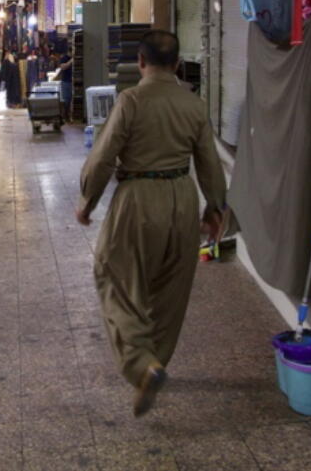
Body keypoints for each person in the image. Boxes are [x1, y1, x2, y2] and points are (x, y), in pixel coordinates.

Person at [77, 29, 226, 417]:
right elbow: (209, 161)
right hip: (182, 196)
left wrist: (87, 201)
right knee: (169, 292)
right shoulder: (194, 104)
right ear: (177, 64)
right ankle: (157, 360)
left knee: (114, 276)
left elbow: (103, 157)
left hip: (139, 198)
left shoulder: (131, 100)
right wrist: (215, 208)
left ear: (140, 62)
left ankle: (143, 366)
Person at [55, 50, 73, 122]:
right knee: (67, 100)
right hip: (66, 82)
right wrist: (71, 61)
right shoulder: (64, 58)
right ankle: (65, 117)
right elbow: (63, 67)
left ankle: (69, 116)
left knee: (71, 100)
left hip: (72, 82)